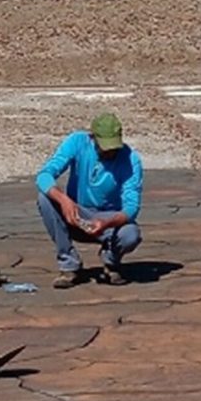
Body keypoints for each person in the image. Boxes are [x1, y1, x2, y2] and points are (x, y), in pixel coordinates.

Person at [35, 112, 144, 288]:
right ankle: (69, 265)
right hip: (78, 214)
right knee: (45, 198)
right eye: (105, 147)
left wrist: (107, 222)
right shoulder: (77, 142)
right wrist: (64, 200)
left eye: (114, 147)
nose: (110, 152)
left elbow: (131, 207)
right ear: (92, 137)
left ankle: (111, 262)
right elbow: (44, 175)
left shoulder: (131, 160)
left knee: (131, 234)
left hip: (109, 220)